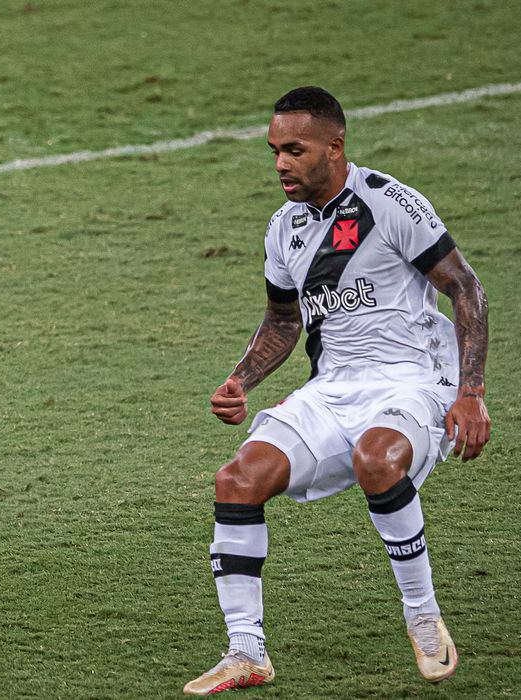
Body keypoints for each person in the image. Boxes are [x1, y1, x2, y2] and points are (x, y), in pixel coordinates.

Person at [183, 86, 490, 694]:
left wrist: (471, 391)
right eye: (273, 151)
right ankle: (246, 651)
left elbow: (466, 290)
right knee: (236, 479)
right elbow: (281, 321)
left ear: (334, 145)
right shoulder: (284, 228)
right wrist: (240, 380)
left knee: (376, 459)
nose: (280, 164)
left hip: (414, 382)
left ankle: (422, 614)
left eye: (294, 150)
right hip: (334, 388)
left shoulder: (388, 202)